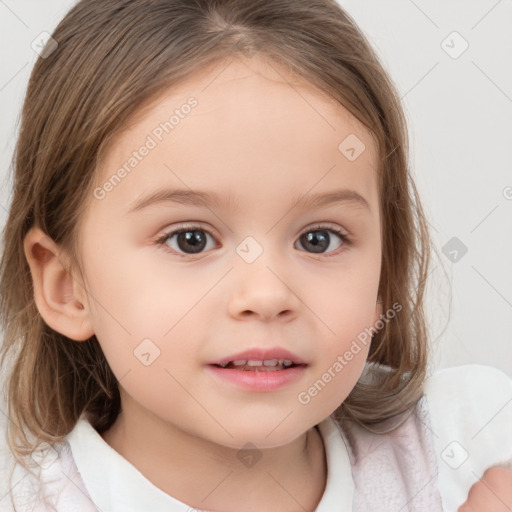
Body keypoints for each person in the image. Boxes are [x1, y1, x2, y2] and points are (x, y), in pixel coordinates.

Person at [0, 1, 510, 510]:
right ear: (67, 287)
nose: (266, 295)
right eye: (190, 240)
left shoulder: (467, 443)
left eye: (319, 239)